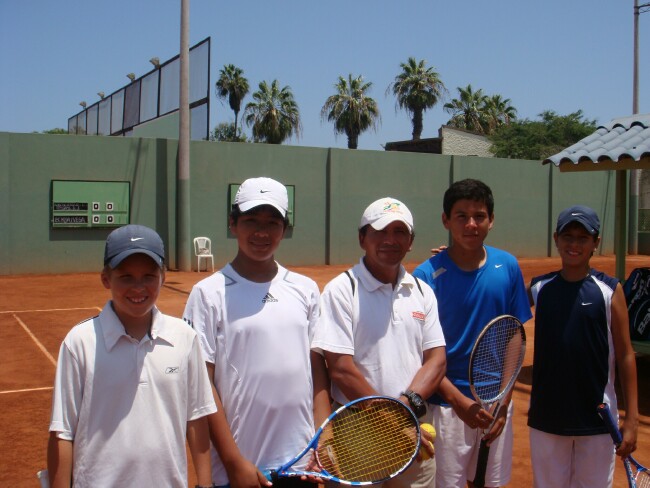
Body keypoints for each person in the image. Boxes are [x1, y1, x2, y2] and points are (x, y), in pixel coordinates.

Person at [183, 176, 331, 487]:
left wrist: (323, 437)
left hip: (301, 463)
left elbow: (317, 372)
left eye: (272, 222)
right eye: (251, 220)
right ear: (232, 224)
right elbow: (201, 385)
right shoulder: (207, 294)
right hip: (239, 472)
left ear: (284, 228)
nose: (261, 232)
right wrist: (234, 462)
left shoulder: (305, 289)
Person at [47, 224, 216, 488]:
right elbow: (62, 433)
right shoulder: (79, 342)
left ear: (163, 276)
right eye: (126, 277)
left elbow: (196, 418)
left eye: (149, 275)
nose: (138, 287)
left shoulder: (185, 337)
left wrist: (205, 485)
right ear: (106, 278)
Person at [312, 196, 447, 488]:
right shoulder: (341, 290)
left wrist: (405, 407)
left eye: (399, 232)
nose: (390, 240)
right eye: (380, 231)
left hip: (413, 424)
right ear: (363, 238)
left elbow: (436, 360)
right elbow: (341, 369)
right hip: (357, 431)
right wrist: (395, 420)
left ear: (411, 241)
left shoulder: (422, 291)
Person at [412, 178, 532, 488]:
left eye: (479, 216)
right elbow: (423, 352)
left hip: (496, 403)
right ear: (445, 220)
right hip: (445, 406)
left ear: (491, 220)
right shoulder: (426, 276)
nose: (471, 224)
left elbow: (514, 336)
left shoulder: (507, 266)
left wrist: (503, 402)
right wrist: (459, 402)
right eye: (461, 216)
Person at [527, 205, 639, 487]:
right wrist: (454, 257)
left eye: (582, 238)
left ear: (595, 243)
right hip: (547, 418)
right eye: (568, 236)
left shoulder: (610, 290)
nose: (574, 244)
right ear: (556, 238)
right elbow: (500, 306)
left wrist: (632, 420)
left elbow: (626, 354)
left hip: (598, 420)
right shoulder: (539, 288)